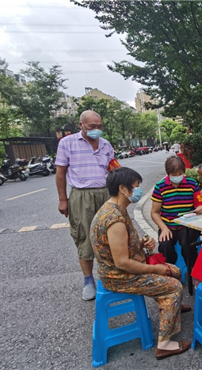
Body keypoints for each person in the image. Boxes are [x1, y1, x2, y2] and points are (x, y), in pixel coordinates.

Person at [90, 167, 191, 360]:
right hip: (120, 278)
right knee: (173, 285)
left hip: (123, 271)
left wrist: (143, 242)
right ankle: (165, 344)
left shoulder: (115, 209)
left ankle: (172, 307)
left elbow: (123, 245)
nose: (138, 190)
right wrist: (155, 268)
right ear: (123, 188)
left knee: (175, 270)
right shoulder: (114, 220)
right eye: (136, 187)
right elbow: (123, 263)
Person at [55, 110, 118, 301]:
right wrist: (62, 199)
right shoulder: (67, 143)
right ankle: (88, 281)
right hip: (81, 196)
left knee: (112, 235)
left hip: (106, 194)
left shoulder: (106, 144)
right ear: (81, 125)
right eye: (92, 126)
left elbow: (114, 168)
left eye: (100, 126)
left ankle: (111, 277)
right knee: (84, 237)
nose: (97, 130)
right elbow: (60, 173)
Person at [151, 156, 202, 271]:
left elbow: (200, 204)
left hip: (187, 224)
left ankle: (193, 272)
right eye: (173, 175)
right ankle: (171, 271)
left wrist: (200, 207)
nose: (177, 177)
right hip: (168, 225)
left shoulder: (192, 184)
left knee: (188, 245)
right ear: (168, 173)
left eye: (179, 174)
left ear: (184, 172)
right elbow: (154, 212)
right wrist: (164, 228)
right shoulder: (160, 187)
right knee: (165, 246)